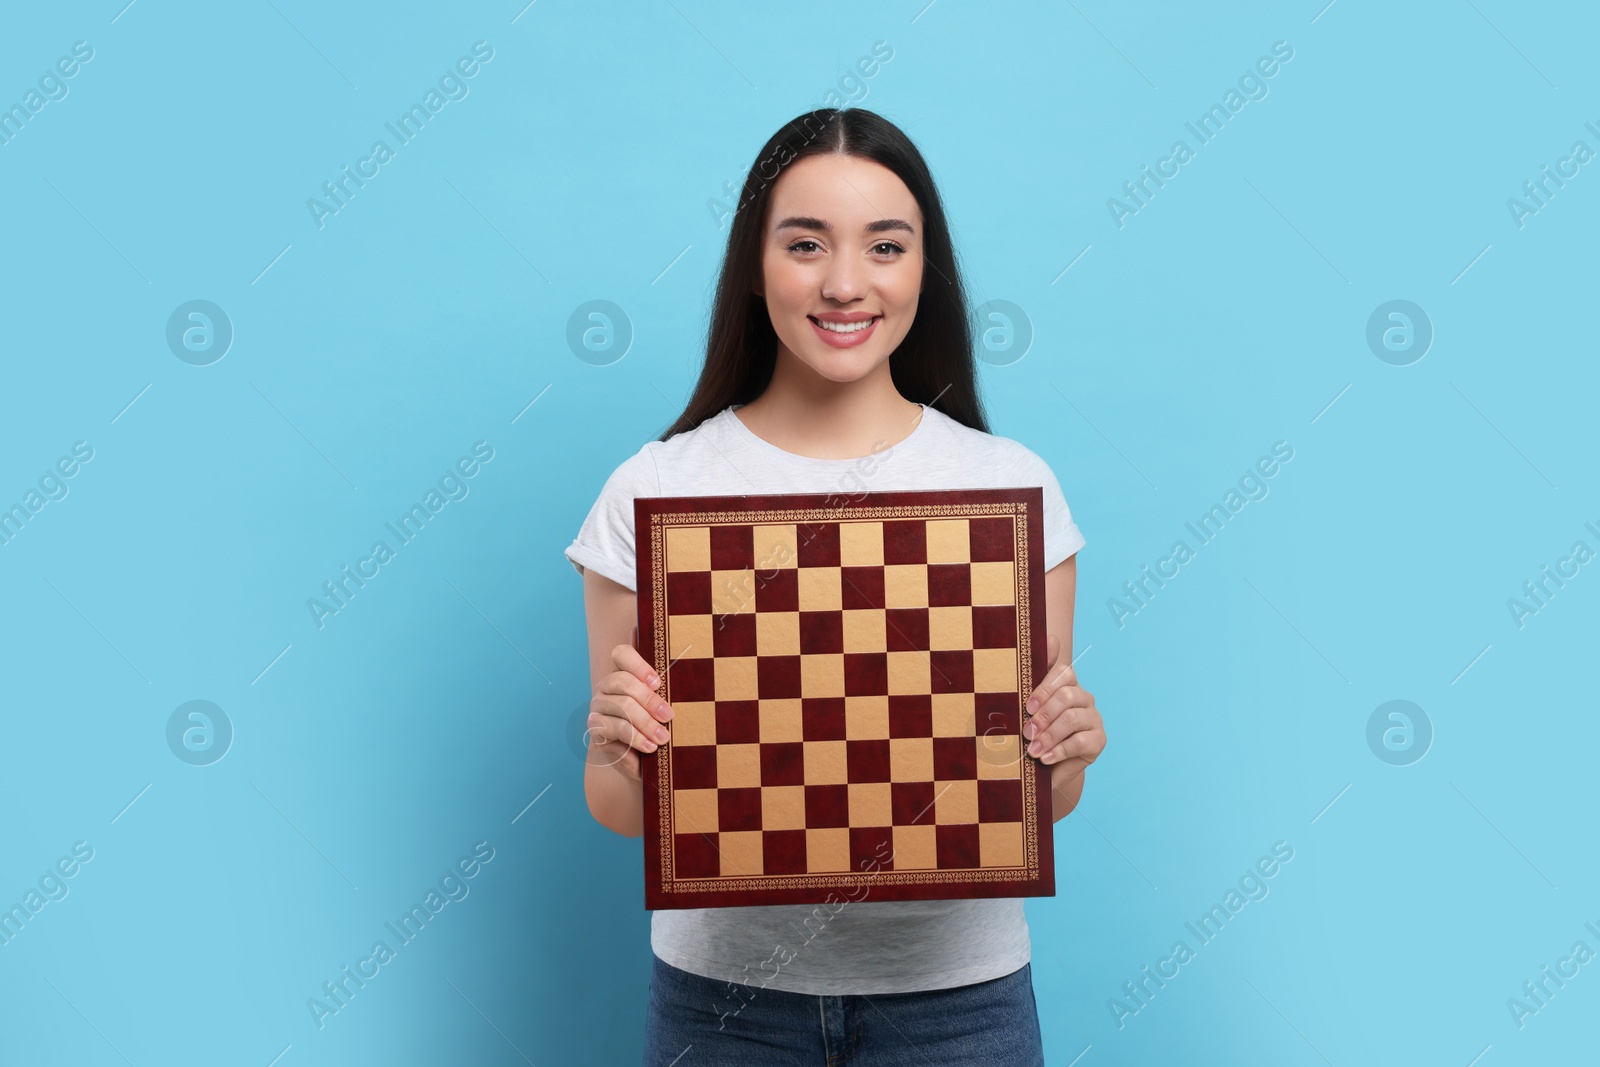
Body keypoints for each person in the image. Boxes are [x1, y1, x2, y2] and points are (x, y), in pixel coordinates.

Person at [564, 107, 1107, 1066]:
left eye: (885, 246)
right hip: (720, 1005)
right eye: (805, 243)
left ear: (922, 269)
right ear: (754, 261)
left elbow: (1036, 798)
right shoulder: (654, 490)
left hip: (958, 1007)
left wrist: (1066, 753)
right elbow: (616, 801)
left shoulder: (1009, 489)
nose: (845, 282)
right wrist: (617, 745)